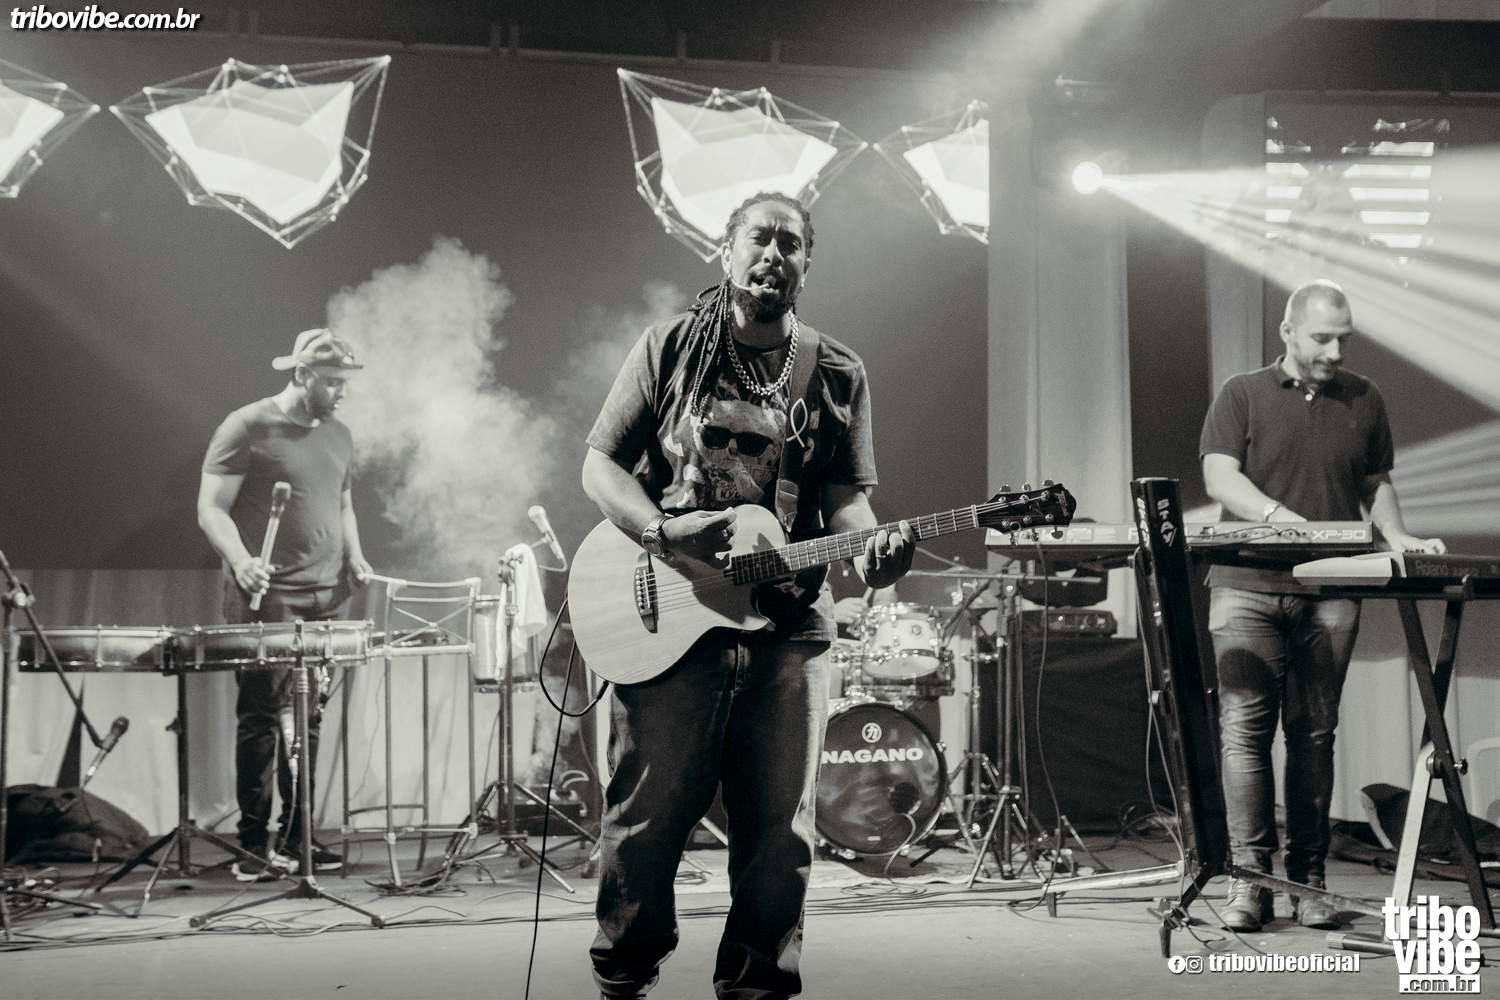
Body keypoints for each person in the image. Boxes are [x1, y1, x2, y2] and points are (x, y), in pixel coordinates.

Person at [582, 192, 914, 999]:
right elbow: (600, 465)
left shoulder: (835, 370)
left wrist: (874, 547)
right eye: (759, 238)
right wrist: (662, 533)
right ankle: (624, 978)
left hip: (791, 623)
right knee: (646, 819)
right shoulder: (669, 346)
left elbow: (846, 501)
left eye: (790, 243)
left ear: (807, 263)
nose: (774, 253)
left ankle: (758, 987)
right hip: (668, 609)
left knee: (778, 833)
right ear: (726, 251)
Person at [1200, 280, 1444, 931]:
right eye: (1321, 338)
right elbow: (1219, 473)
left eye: (1343, 339)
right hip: (1245, 586)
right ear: (1287, 332)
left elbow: (1375, 482)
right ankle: (1249, 881)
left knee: (1313, 735)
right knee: (1244, 734)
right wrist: (1276, 517)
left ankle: (1307, 882)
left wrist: (1398, 537)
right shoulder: (1242, 393)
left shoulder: (1365, 398)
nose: (1335, 352)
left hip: (1331, 588)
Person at [197, 328, 373, 881]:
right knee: (261, 716)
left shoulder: (339, 434)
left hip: (326, 595)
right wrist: (241, 559)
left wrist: (355, 556)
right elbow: (210, 508)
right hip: (267, 596)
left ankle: (298, 838)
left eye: (344, 382)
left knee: (308, 716)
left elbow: (343, 503)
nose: (341, 392)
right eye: (332, 382)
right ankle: (253, 844)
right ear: (302, 375)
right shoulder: (246, 426)